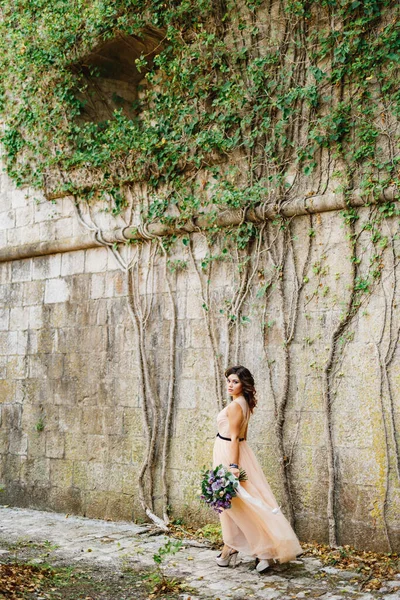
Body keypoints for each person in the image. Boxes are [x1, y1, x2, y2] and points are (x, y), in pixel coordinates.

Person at [213, 365, 302, 572]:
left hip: (230, 453)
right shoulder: (243, 403)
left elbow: (235, 437)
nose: (230, 384)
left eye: (235, 381)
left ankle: (261, 551)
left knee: (240, 505)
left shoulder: (236, 406)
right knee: (241, 504)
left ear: (244, 384)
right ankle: (234, 549)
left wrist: (233, 467)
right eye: (229, 381)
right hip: (236, 450)